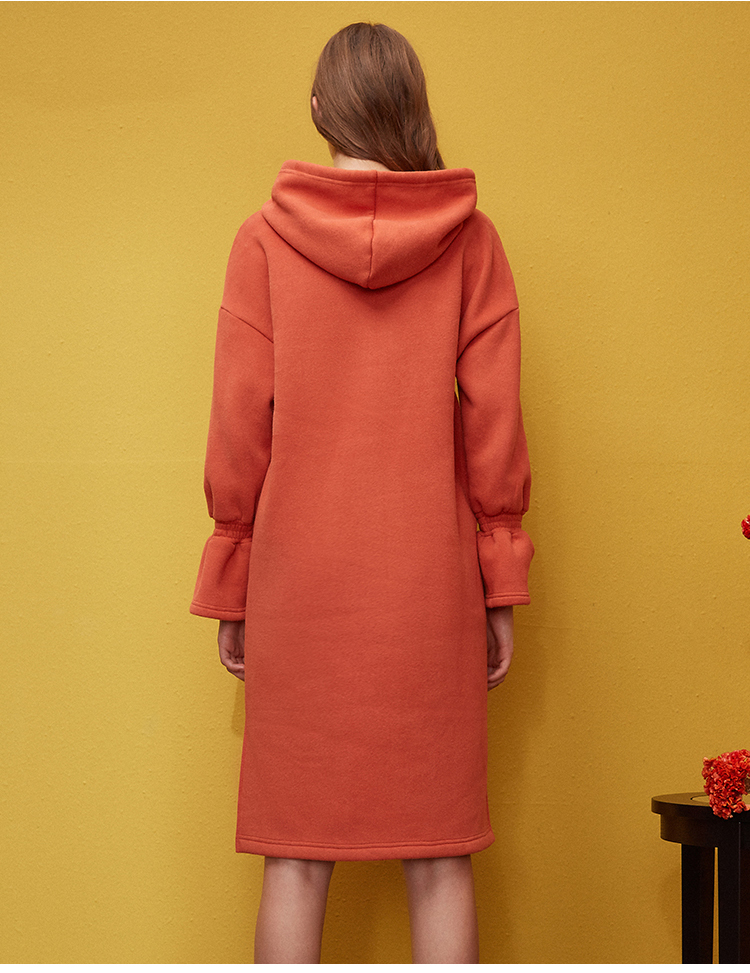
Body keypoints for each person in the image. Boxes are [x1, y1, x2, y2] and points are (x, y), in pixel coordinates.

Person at [191, 22, 533, 964]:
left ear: (319, 109)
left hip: (300, 587)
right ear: (410, 108)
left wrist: (233, 579)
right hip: (429, 587)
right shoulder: (472, 242)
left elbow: (237, 428)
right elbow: (495, 424)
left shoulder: (262, 241)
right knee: (440, 857)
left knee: (296, 859)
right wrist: (501, 579)